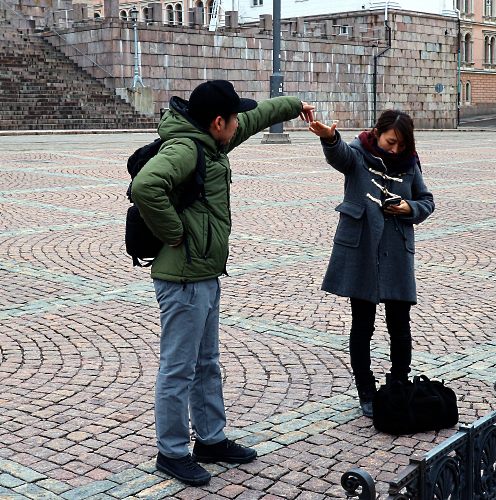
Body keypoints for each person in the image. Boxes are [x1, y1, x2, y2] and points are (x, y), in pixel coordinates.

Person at [130, 80, 315, 486]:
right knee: (179, 368)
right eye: (232, 120)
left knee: (206, 364)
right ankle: (172, 452)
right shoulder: (184, 149)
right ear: (218, 122)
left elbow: (254, 117)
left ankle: (211, 440)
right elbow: (145, 186)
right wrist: (176, 233)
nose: (238, 126)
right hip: (182, 278)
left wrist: (292, 105)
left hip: (203, 275)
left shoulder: (212, 142)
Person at [307, 110, 435, 418]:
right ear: (377, 132)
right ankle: (365, 389)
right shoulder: (357, 153)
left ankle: (399, 383)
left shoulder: (409, 161)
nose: (394, 150)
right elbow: (338, 156)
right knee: (362, 325)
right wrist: (329, 137)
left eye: (400, 145)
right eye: (391, 142)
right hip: (362, 248)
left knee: (399, 325)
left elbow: (427, 201)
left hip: (396, 248)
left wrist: (408, 207)